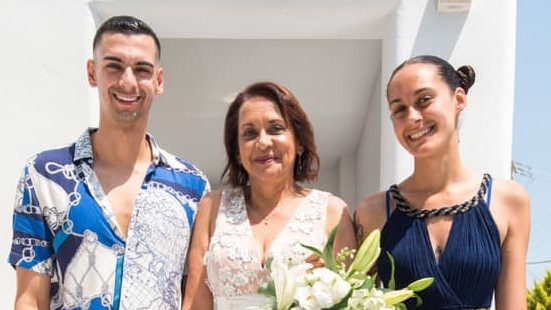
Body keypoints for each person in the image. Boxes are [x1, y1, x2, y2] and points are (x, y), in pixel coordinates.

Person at [8, 15, 209, 309]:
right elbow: (29, 298)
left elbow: (195, 296)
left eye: (142, 69)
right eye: (114, 66)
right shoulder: (44, 176)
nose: (128, 81)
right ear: (92, 72)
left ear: (159, 80)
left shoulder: (192, 184)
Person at [354, 55, 531, 309]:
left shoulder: (508, 201)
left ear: (458, 99)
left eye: (424, 100)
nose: (413, 117)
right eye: (399, 109)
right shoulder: (371, 212)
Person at [183, 81, 357, 309]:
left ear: (299, 142)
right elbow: (194, 304)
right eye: (250, 133)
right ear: (237, 151)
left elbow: (351, 300)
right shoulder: (212, 207)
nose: (263, 142)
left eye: (276, 128)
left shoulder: (332, 211)